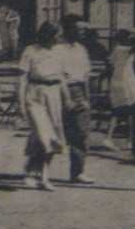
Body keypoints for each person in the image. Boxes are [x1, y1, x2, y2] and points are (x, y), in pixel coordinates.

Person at [17, 21, 68, 189]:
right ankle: (35, 173)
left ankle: (41, 175)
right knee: (43, 135)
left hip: (53, 94)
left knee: (52, 136)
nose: (59, 39)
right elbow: (22, 79)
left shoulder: (59, 53)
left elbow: (61, 77)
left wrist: (67, 98)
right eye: (57, 35)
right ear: (48, 34)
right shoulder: (31, 51)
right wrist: (21, 104)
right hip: (35, 94)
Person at [56, 15, 96, 184]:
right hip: (57, 90)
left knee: (82, 132)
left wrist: (87, 98)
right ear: (68, 29)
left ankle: (77, 172)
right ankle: (37, 171)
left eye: (84, 29)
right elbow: (56, 74)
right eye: (79, 29)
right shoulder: (55, 48)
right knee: (52, 132)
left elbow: (86, 76)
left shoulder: (81, 49)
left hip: (78, 90)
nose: (83, 33)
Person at [106, 29, 135, 148]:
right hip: (127, 82)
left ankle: (116, 138)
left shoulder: (116, 50)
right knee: (131, 110)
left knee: (118, 110)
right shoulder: (124, 49)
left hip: (117, 81)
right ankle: (128, 140)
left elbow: (110, 63)